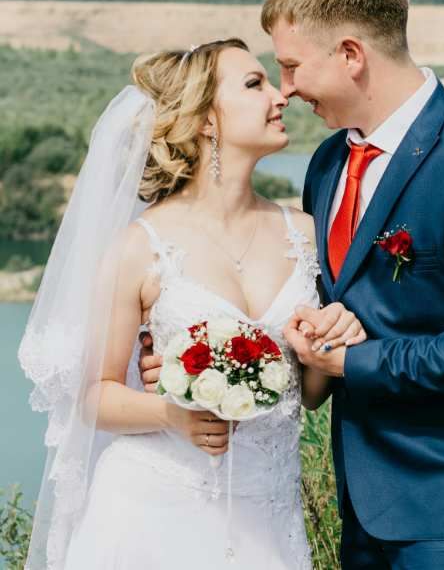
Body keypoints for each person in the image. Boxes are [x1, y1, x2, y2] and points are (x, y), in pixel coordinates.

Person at [137, 0, 444, 568]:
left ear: (351, 54)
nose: (286, 90)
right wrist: (187, 364)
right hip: (361, 499)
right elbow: (319, 319)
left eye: (290, 66)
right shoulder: (329, 164)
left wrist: (357, 361)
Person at [19, 38, 361, 568]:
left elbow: (310, 395)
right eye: (255, 85)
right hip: (151, 512)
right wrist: (171, 414)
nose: (280, 96)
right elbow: (92, 395)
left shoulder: (306, 234)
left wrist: (330, 342)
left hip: (268, 513)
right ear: (206, 120)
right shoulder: (141, 245)